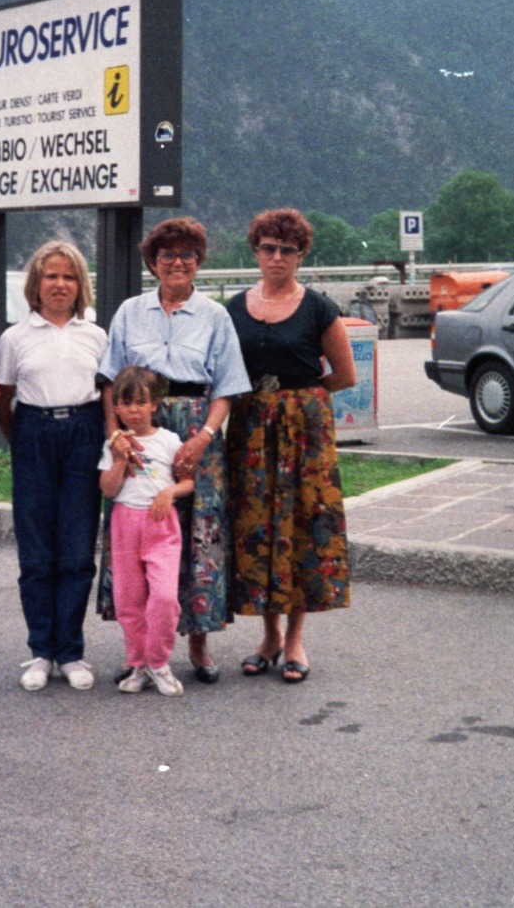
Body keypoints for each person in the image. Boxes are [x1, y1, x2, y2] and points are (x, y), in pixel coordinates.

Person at [97, 216, 252, 684]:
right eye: (168, 255)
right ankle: (140, 650)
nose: (177, 262)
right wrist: (115, 437)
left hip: (196, 429)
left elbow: (227, 386)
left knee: (199, 536)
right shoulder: (129, 312)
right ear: (153, 262)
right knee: (139, 532)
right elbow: (110, 382)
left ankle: (198, 646)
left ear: (200, 262)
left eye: (187, 255)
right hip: (140, 423)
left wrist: (203, 437)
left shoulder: (215, 316)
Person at [224, 209, 357, 684]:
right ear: (256, 250)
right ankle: (269, 636)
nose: (276, 257)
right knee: (258, 526)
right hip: (251, 427)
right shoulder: (233, 308)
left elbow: (345, 375)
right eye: (268, 247)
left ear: (301, 256)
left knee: (301, 524)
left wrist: (298, 398)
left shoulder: (319, 307)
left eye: (287, 250)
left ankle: (296, 639)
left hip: (304, 430)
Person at [0, 241, 107, 693]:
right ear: (35, 285)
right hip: (34, 433)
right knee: (37, 551)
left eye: (69, 277)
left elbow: (109, 391)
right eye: (51, 276)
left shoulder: (96, 335)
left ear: (81, 286)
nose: (60, 284)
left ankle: (71, 651)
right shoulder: (15, 338)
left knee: (78, 551)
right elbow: (2, 398)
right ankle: (41, 649)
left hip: (83, 431)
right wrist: (21, 437)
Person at [99, 367, 192, 696]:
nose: (133, 410)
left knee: (164, 598)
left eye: (140, 402)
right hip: (125, 524)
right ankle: (137, 664)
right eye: (125, 404)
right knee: (128, 600)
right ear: (117, 409)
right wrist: (121, 459)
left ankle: (159, 661)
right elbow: (108, 490)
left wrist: (170, 493)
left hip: (160, 526)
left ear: (154, 404)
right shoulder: (115, 444)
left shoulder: (168, 441)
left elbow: (188, 480)